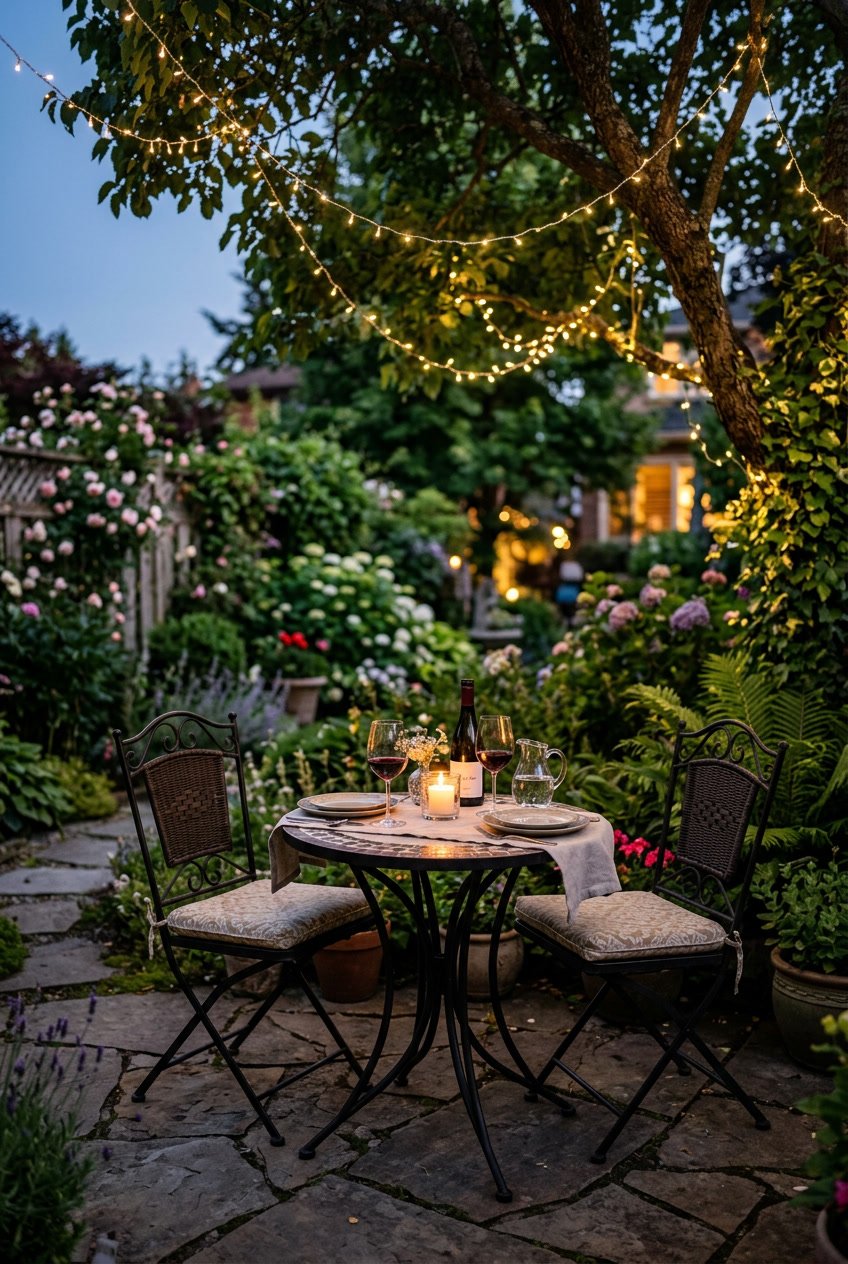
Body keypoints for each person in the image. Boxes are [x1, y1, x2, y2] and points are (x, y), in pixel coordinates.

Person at [555, 557, 584, 623]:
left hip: (571, 589)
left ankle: (569, 619)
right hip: (567, 590)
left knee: (570, 608)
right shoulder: (564, 565)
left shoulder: (574, 565)